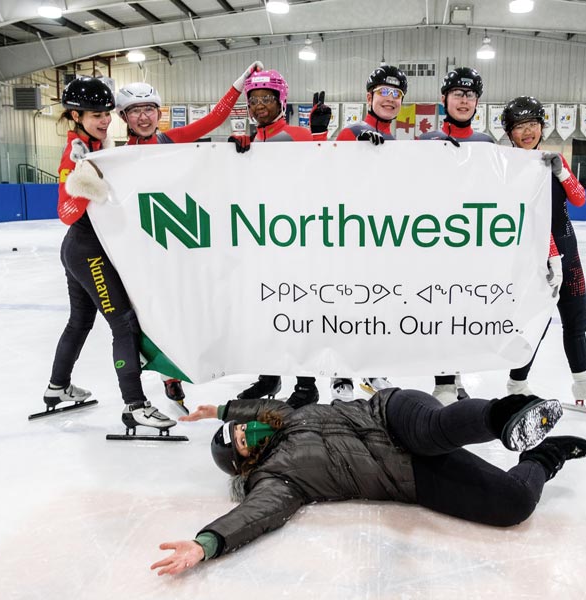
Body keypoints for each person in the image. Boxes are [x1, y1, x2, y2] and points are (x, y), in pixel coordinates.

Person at [149, 389, 586, 576]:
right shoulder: (276, 478)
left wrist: (222, 411)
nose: (248, 434)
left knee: (434, 427)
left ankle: (510, 412)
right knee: (511, 504)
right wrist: (207, 543)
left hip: (391, 414)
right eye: (241, 443)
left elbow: (260, 407)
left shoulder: (285, 416)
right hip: (406, 475)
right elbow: (255, 514)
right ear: (243, 463)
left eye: (244, 428)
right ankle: (544, 455)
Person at [114, 61, 263, 412]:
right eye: (135, 111)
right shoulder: (115, 158)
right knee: (144, 318)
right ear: (124, 117)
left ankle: (175, 372)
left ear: (159, 112)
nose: (144, 117)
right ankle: (163, 380)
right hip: (139, 251)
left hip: (175, 242)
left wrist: (237, 85)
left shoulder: (169, 140)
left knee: (179, 310)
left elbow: (211, 122)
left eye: (149, 109)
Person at [40, 76, 175, 434]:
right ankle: (136, 405)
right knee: (124, 323)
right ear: (75, 115)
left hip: (81, 248)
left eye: (105, 113)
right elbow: (66, 213)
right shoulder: (76, 150)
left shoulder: (96, 143)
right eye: (94, 114)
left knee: (80, 322)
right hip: (87, 249)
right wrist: (83, 174)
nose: (103, 120)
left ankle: (58, 386)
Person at [420, 69, 561, 405]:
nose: (464, 100)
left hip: (474, 244)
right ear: (445, 100)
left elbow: (512, 199)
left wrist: (547, 248)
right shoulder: (425, 143)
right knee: (441, 312)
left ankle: (457, 376)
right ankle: (443, 381)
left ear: (477, 102)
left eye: (470, 95)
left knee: (465, 312)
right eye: (457, 93)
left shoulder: (487, 144)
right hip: (434, 241)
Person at [500, 96, 586, 411]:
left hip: (569, 248)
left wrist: (561, 172)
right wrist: (551, 255)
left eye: (533, 125)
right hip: (534, 256)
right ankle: (517, 383)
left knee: (576, 319)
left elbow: (579, 200)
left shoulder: (555, 159)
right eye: (520, 127)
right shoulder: (507, 168)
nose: (528, 132)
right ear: (510, 132)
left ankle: (584, 382)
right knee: (535, 324)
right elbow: (527, 219)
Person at [227, 69, 320, 409]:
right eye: (253, 100)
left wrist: (320, 133)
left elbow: (326, 167)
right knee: (264, 312)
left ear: (280, 100)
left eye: (266, 98)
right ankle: (269, 376)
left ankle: (306, 384)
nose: (259, 105)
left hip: (295, 237)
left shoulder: (297, 134)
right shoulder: (249, 141)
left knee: (296, 311)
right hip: (260, 239)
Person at [326, 65, 409, 401]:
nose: (389, 100)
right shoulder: (350, 131)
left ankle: (374, 368)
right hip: (348, 232)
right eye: (383, 93)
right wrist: (353, 152)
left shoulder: (400, 142)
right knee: (344, 301)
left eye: (396, 95)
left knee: (378, 303)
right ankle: (339, 374)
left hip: (382, 235)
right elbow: (324, 172)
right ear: (369, 97)